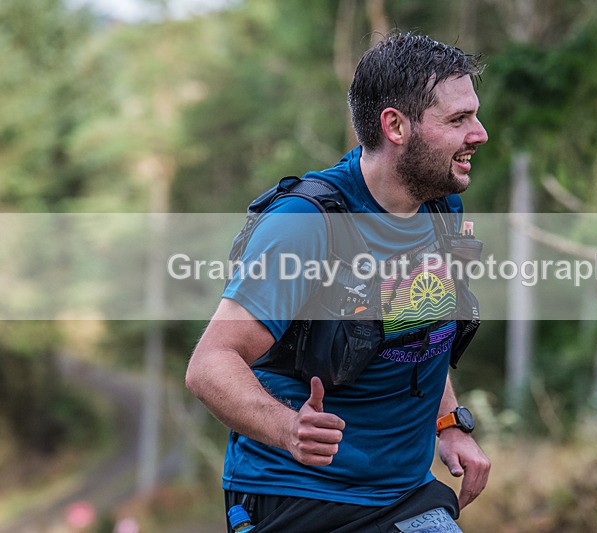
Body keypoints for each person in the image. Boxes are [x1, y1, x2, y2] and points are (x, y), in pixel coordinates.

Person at [186, 32, 491, 532]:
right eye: (458, 120)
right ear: (394, 125)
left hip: (404, 494)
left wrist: (449, 424)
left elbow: (421, 331)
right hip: (298, 497)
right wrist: (289, 430)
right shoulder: (307, 225)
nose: (479, 133)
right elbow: (209, 365)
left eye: (473, 115)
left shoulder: (440, 206)